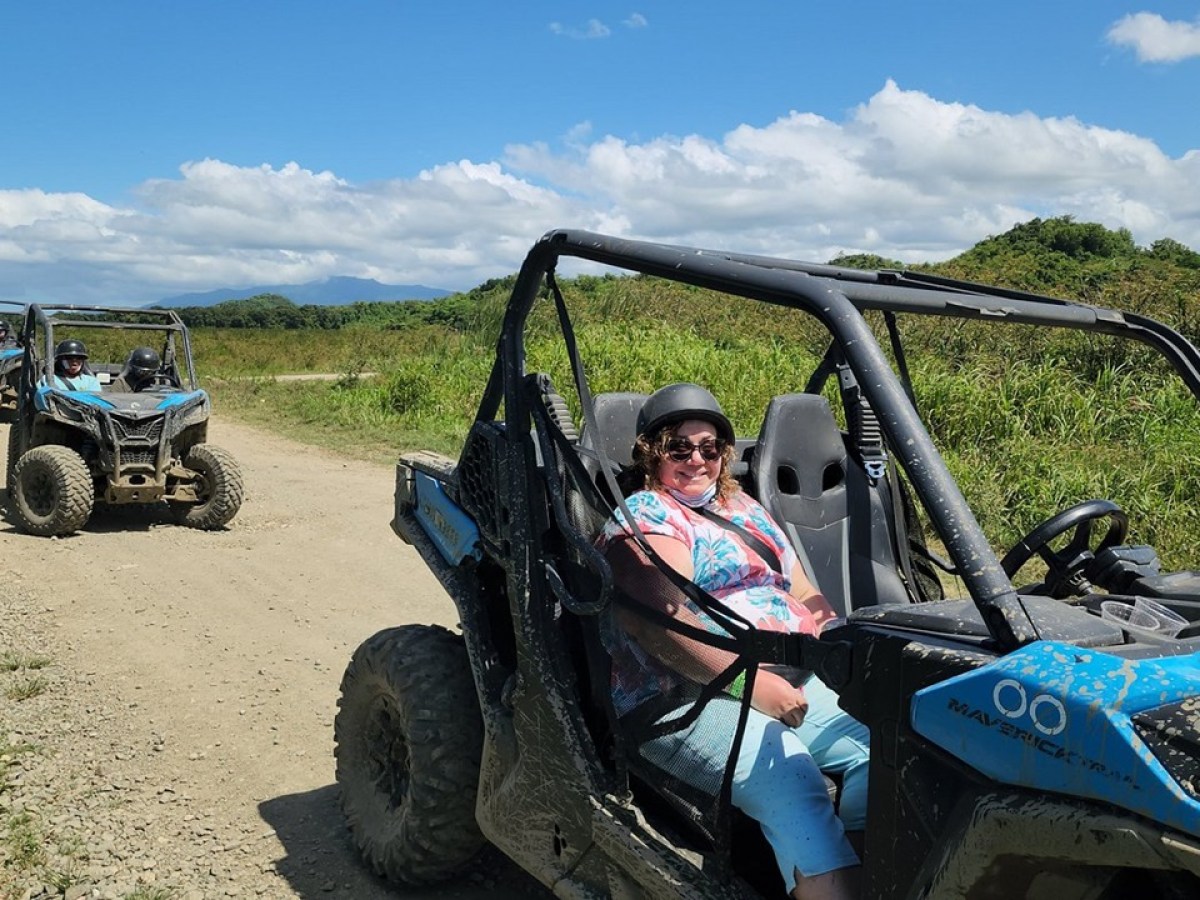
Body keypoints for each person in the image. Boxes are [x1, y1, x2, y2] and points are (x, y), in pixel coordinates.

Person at [599, 383, 869, 900]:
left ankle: (844, 877)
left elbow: (802, 587)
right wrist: (751, 685)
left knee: (880, 748)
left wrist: (835, 642)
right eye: (680, 447)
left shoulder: (742, 507)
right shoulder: (645, 518)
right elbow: (662, 621)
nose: (696, 459)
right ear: (653, 453)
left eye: (709, 447)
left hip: (791, 675)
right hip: (684, 693)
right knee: (790, 778)